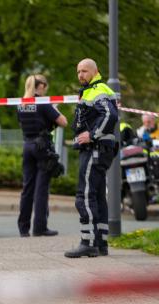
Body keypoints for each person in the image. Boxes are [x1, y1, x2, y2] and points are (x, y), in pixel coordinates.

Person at [64, 59, 118, 258]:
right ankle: (101, 243)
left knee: (85, 195)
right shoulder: (90, 90)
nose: (80, 75)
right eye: (78, 71)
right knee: (96, 196)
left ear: (95, 72)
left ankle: (88, 242)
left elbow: (110, 115)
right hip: (99, 150)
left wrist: (92, 135)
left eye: (84, 71)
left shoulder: (98, 90)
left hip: (95, 149)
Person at [16, 74, 67, 237]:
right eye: (46, 87)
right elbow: (63, 122)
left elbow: (22, 123)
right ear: (41, 86)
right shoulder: (43, 103)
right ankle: (40, 228)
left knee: (27, 188)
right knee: (41, 189)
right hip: (42, 148)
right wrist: (55, 108)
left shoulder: (21, 103)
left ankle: (23, 229)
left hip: (27, 146)